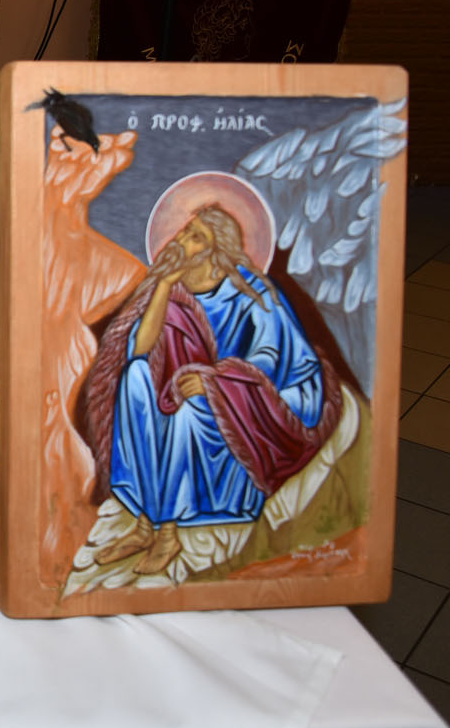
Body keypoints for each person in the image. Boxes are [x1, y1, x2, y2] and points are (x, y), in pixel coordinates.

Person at [81, 201, 342, 575]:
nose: (182, 239)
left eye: (196, 236)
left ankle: (167, 534)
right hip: (178, 389)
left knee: (188, 410)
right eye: (186, 230)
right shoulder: (173, 287)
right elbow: (139, 349)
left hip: (239, 403)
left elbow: (271, 358)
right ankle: (144, 525)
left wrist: (215, 381)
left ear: (216, 249)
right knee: (134, 379)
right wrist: (164, 284)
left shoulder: (250, 291)